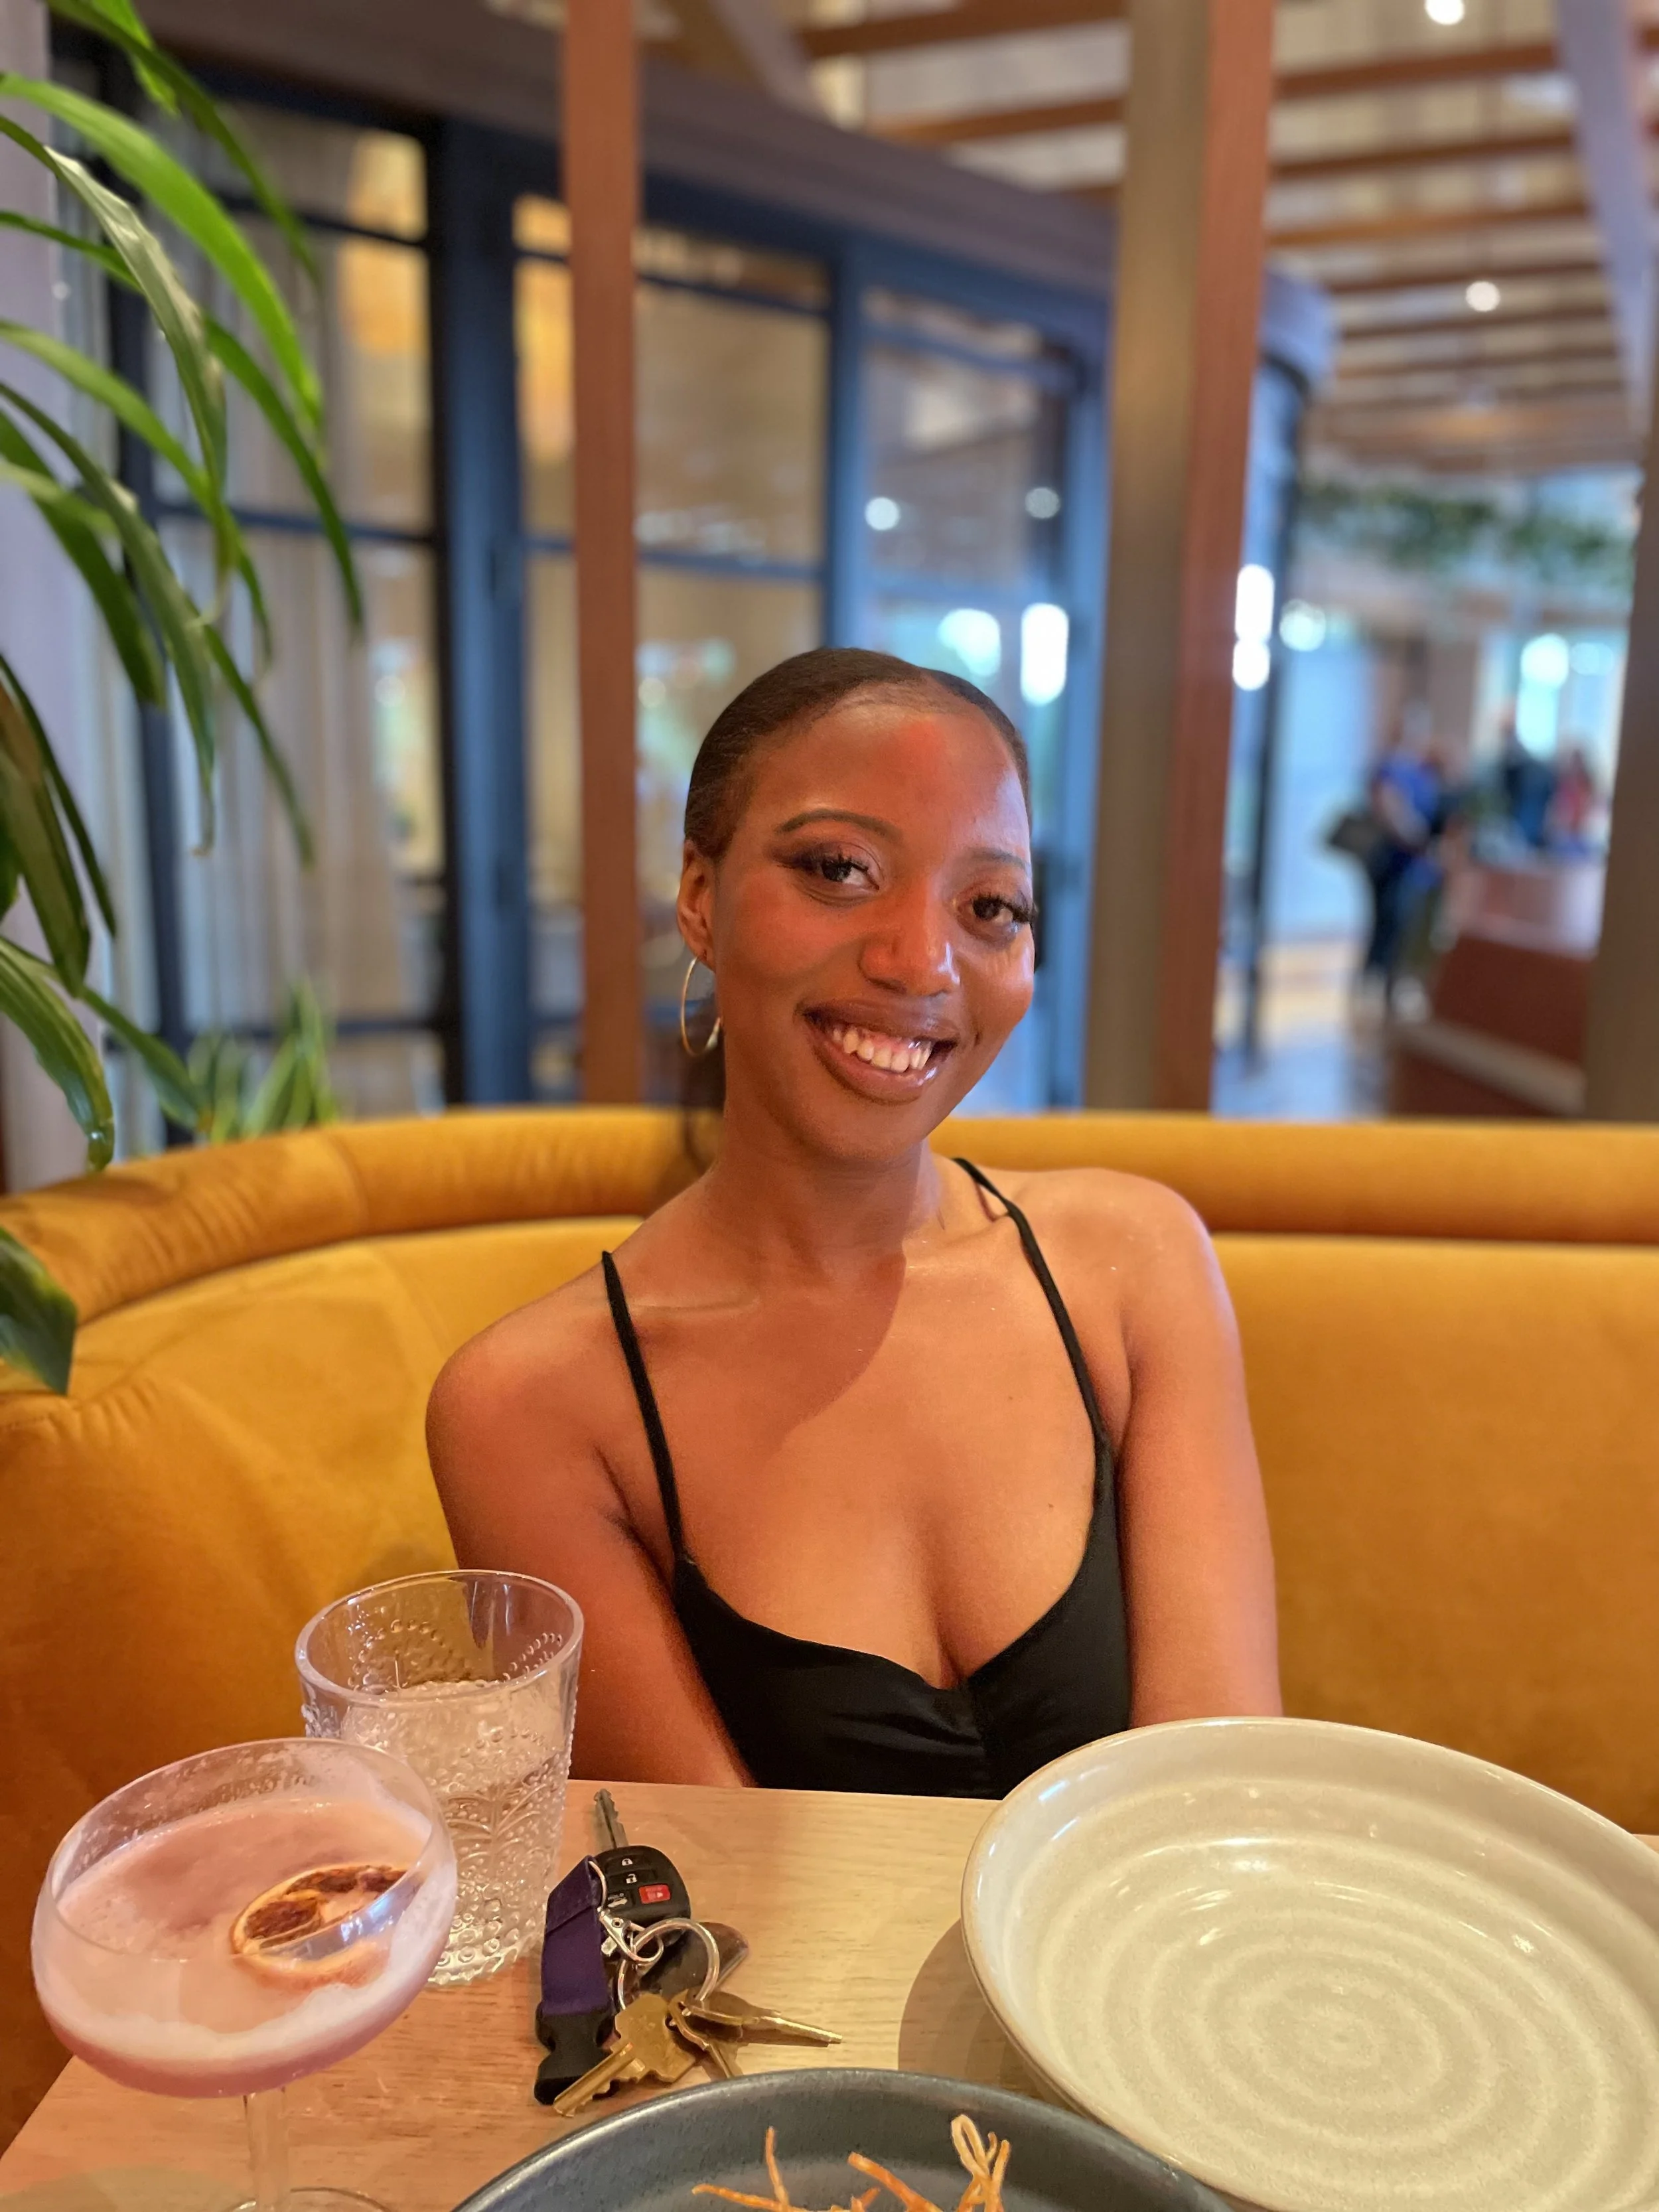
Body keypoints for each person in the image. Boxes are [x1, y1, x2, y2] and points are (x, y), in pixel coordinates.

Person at [428, 648, 1280, 1797]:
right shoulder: (531, 1409)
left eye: (990, 907)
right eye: (840, 869)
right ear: (699, 897)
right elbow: (695, 1905)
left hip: (1140, 1973)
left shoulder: (1133, 1267)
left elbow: (1216, 1801)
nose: (921, 960)